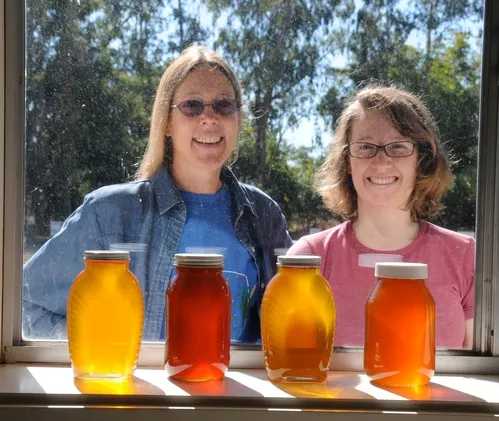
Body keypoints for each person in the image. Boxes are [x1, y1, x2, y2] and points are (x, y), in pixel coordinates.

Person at [23, 45, 293, 343]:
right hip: (148, 390)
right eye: (192, 105)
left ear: (238, 119)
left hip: (237, 390)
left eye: (224, 105)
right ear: (166, 121)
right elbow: (23, 302)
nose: (209, 117)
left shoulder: (264, 214)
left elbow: (294, 316)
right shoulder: (110, 213)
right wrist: (101, 349)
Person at [288, 85, 475, 349]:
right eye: (365, 147)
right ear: (347, 162)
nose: (381, 160)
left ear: (422, 159)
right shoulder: (308, 261)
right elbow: (293, 370)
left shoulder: (466, 258)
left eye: (397, 147)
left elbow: (480, 377)